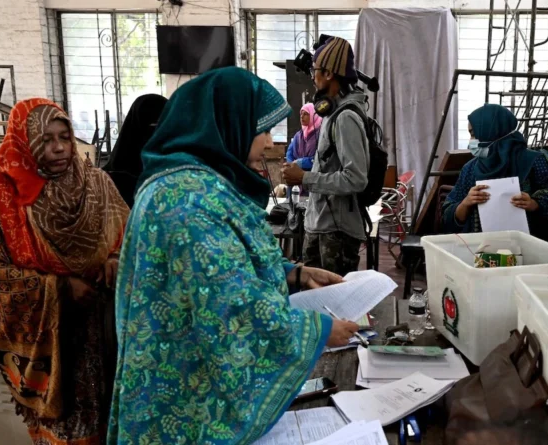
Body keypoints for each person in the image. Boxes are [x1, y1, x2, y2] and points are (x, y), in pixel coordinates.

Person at [107, 67, 359, 445]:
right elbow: (227, 304)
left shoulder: (200, 183)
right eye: (263, 129)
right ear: (227, 123)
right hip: (181, 401)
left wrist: (294, 274)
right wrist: (318, 331)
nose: (269, 143)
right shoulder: (184, 201)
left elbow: (222, 261)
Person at [0, 98, 129, 444]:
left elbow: (128, 235)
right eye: (46, 139)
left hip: (102, 324)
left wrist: (115, 258)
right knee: (63, 426)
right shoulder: (0, 197)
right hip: (48, 334)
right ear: (25, 141)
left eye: (65, 137)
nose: (60, 148)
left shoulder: (97, 184)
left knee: (110, 414)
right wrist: (60, 288)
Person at [281, 36, 370, 276]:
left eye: (315, 70)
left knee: (333, 297)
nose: (312, 76)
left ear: (329, 74)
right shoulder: (333, 113)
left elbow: (356, 179)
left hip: (335, 232)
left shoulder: (346, 118)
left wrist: (305, 178)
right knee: (313, 295)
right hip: (321, 225)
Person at [441, 104, 548, 241]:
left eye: (474, 134)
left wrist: (535, 203)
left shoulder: (534, 161)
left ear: (490, 131)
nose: (471, 142)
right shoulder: (470, 169)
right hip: (481, 246)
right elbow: (448, 215)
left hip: (529, 243)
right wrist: (466, 203)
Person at [102, 93, 168, 207]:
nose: (157, 136)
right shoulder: (107, 182)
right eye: (153, 126)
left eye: (163, 127)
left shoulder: (180, 173)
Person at [286, 102, 322, 171]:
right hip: (297, 173)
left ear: (313, 115)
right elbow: (289, 152)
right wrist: (291, 164)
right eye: (301, 114)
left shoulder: (320, 133)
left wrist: (302, 162)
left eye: (305, 114)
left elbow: (321, 158)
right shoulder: (298, 135)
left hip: (315, 174)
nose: (302, 116)